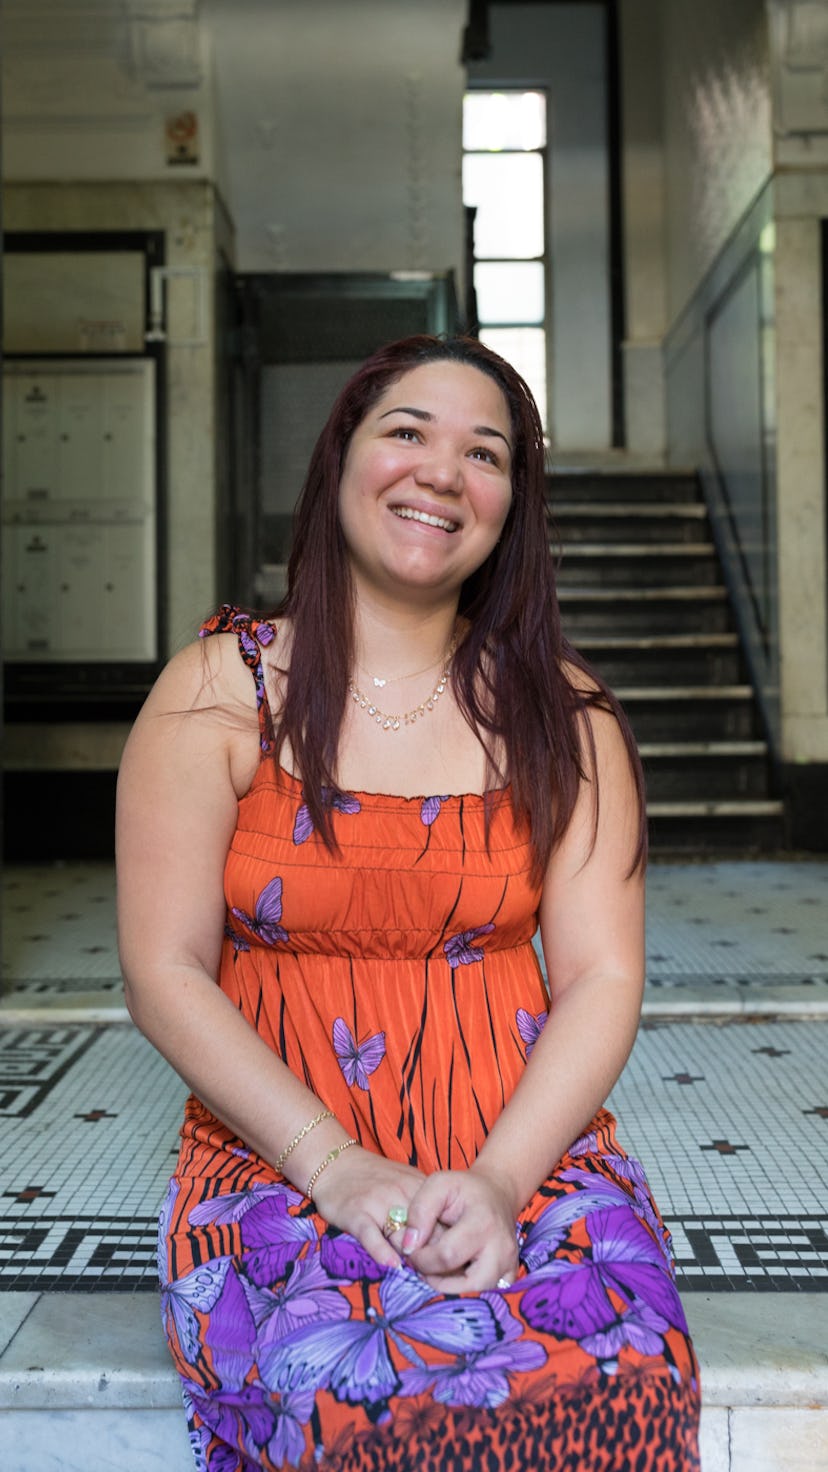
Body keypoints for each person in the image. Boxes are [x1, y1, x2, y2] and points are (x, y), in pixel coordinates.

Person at [116, 334, 700, 1472]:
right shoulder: (218, 691)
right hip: (274, 1158)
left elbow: (601, 977)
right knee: (366, 1398)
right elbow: (163, 969)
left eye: (485, 454)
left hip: (529, 1154)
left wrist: (497, 1181)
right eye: (407, 432)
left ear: (509, 509)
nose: (442, 471)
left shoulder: (565, 715)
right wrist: (334, 1167)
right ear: (340, 462)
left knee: (623, 1378)